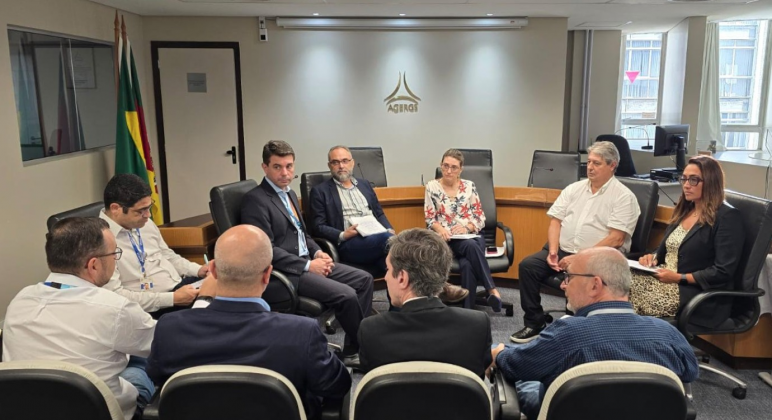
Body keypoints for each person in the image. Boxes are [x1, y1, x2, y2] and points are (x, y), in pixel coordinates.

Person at [147, 225, 350, 420]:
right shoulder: (301, 332)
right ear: (268, 275)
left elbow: (158, 379)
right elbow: (337, 386)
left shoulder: (169, 328)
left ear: (213, 270)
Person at [491, 247, 699, 420]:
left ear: (594, 285)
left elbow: (516, 366)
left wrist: (499, 353)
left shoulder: (566, 335)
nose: (563, 285)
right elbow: (690, 373)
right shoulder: (669, 334)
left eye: (569, 277)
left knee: (522, 376)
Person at [2, 217, 156, 420]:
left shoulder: (20, 300)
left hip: (29, 411)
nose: (115, 259)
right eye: (114, 254)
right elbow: (165, 345)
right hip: (106, 413)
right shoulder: (114, 308)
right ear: (93, 265)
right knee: (140, 365)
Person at [241, 140, 374, 366]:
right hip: (287, 272)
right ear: (265, 167)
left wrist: (317, 252)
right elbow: (265, 249)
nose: (285, 173)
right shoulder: (255, 200)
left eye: (289, 166)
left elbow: (303, 234)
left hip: (307, 261)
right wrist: (308, 266)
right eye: (277, 167)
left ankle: (354, 347)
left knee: (365, 280)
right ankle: (360, 351)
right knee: (347, 295)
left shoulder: (290, 194)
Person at [511, 141, 640, 343]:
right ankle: (534, 323)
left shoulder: (624, 197)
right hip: (563, 251)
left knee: (581, 277)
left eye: (597, 163)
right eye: (589, 162)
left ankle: (576, 329)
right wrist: (553, 251)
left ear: (612, 165)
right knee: (528, 266)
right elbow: (555, 222)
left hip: (600, 258)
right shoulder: (574, 189)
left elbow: (616, 238)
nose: (590, 167)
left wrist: (579, 258)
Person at [310, 145, 467, 304]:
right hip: (351, 243)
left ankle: (398, 312)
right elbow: (318, 226)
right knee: (394, 241)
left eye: (345, 161)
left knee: (396, 268)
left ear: (352, 162)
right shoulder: (320, 191)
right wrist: (343, 234)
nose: (341, 166)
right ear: (329, 165)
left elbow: (379, 213)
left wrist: (389, 228)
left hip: (377, 240)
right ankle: (440, 285)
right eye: (336, 162)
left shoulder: (364, 185)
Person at [358, 228, 492, 379]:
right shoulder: (478, 326)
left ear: (402, 278)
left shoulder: (370, 331)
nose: (386, 277)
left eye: (388, 269)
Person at [632, 155, 744, 327]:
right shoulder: (685, 209)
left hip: (696, 293)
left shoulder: (727, 217)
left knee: (625, 297)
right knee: (615, 283)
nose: (686, 185)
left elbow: (723, 271)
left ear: (711, 182)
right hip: (664, 279)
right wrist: (652, 257)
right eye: (684, 178)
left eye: (693, 180)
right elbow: (668, 249)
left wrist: (679, 277)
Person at [100, 174, 208, 315]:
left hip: (180, 288)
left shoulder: (145, 223)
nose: (148, 215)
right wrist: (172, 299)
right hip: (154, 307)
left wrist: (198, 270)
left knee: (225, 285)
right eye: (141, 211)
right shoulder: (99, 240)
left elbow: (167, 255)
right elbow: (117, 296)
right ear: (115, 208)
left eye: (149, 207)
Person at [424, 148, 501, 310]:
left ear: (460, 170)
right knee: (470, 252)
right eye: (445, 166)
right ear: (441, 165)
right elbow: (430, 218)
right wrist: (440, 229)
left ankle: (467, 311)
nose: (448, 171)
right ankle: (491, 289)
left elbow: (480, 217)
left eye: (454, 167)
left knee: (468, 262)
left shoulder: (469, 186)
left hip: (471, 236)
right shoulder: (432, 187)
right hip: (447, 240)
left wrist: (467, 228)